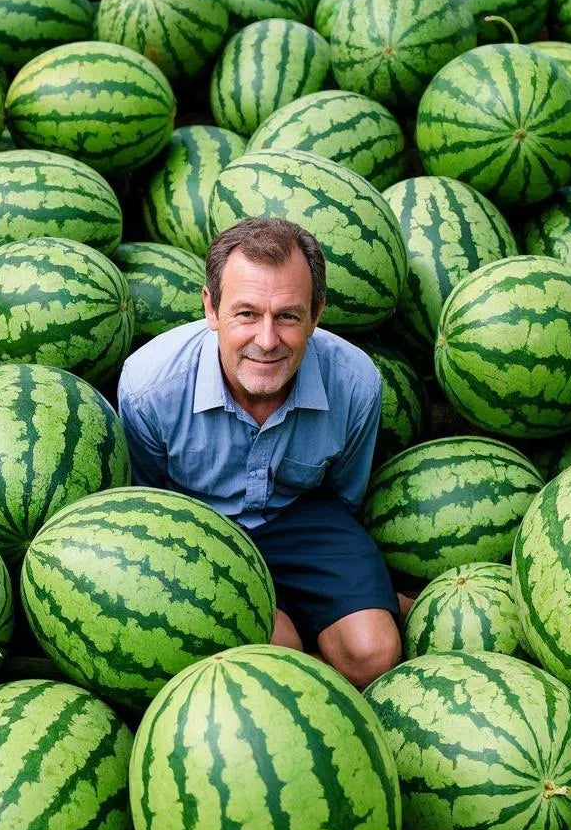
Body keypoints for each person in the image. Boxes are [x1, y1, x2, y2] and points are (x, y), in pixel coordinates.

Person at [116, 217, 403, 688]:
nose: (266, 341)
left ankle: (331, 612)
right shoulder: (150, 388)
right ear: (211, 309)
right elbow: (147, 509)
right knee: (275, 655)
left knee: (372, 654)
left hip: (304, 515)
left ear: (316, 314)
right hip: (198, 529)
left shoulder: (356, 383)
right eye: (246, 313)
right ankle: (310, 626)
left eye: (288, 315)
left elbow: (345, 493)